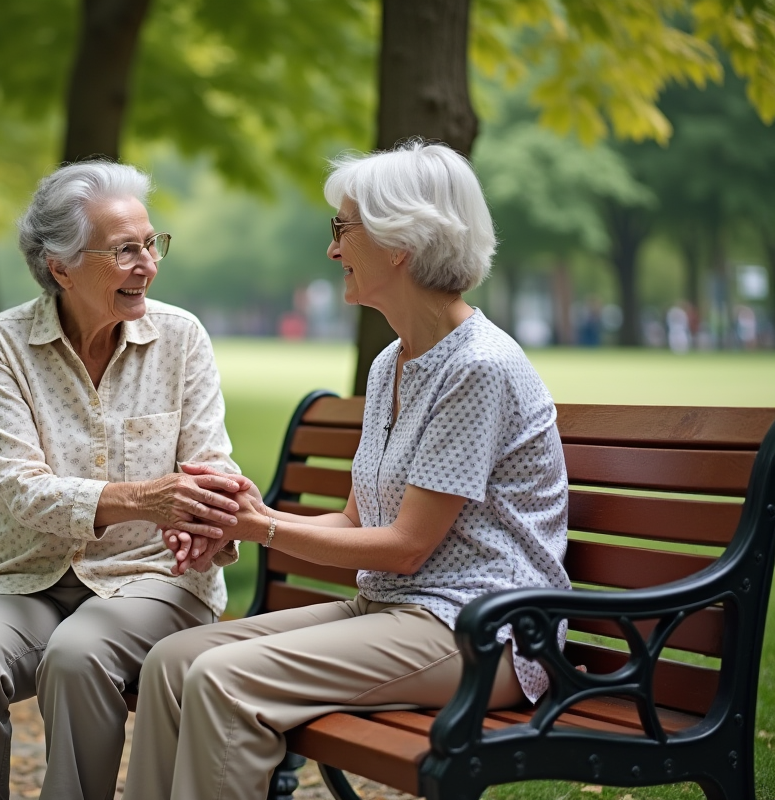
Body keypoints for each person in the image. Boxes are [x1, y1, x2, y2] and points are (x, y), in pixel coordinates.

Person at [122, 140, 572, 800]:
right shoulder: (393, 362)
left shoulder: (479, 367)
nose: (333, 250)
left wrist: (262, 529)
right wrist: (246, 516)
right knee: (172, 661)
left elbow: (407, 546)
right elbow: (358, 523)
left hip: (480, 633)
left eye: (344, 228)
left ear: (400, 243)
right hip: (393, 610)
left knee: (223, 679)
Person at [0, 160, 247, 800]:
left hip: (151, 576)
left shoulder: (180, 337)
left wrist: (207, 516)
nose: (147, 264)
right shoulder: (0, 344)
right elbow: (22, 488)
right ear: (61, 267)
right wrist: (145, 498)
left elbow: (212, 461)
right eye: (125, 250)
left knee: (78, 656)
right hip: (23, 572)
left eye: (152, 243)